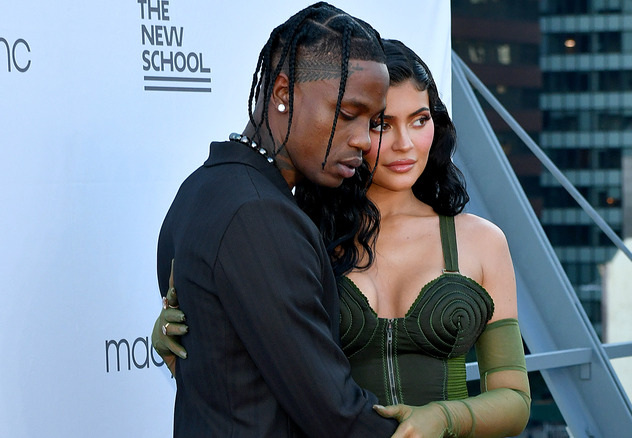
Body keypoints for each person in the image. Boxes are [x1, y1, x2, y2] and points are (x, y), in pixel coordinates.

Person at [156, 38, 531, 437]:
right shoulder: (302, 232)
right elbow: (254, 366)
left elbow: (515, 398)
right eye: (383, 124)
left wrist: (443, 417)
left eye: (420, 120)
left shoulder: (481, 241)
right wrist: (184, 336)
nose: (405, 144)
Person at [152, 3, 403, 437]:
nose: (364, 140)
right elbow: (335, 414)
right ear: (283, 93)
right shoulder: (258, 216)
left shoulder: (202, 187)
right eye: (347, 114)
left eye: (373, 121)